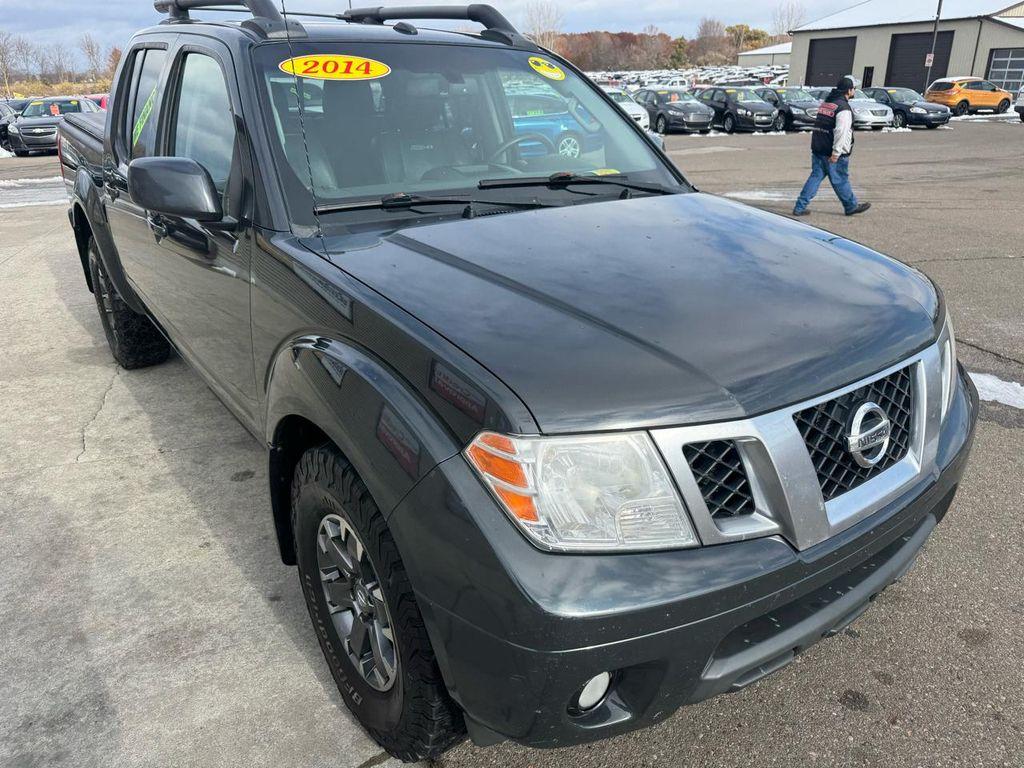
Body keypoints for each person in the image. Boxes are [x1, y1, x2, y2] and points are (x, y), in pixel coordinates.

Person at [793, 76, 870, 217]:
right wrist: (836, 152)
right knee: (840, 179)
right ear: (848, 90)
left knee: (815, 177)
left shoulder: (826, 103)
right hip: (832, 152)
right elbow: (841, 131)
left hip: (818, 148)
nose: (854, 91)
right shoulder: (843, 109)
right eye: (854, 89)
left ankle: (799, 207)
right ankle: (851, 206)